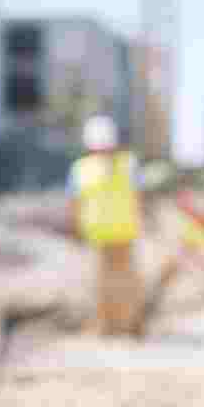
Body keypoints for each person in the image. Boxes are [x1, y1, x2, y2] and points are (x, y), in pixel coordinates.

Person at [68, 114, 146, 337]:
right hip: (125, 230)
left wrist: (75, 228)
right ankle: (130, 325)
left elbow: (74, 203)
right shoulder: (129, 163)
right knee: (125, 280)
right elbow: (139, 197)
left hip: (97, 233)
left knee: (101, 282)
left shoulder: (80, 168)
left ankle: (107, 327)